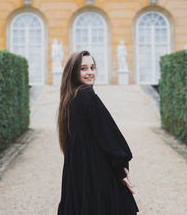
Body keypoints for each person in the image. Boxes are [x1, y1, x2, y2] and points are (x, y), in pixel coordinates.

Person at [57, 50, 139, 214]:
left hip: (77, 168)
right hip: (94, 166)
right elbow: (106, 134)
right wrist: (119, 168)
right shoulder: (86, 95)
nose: (90, 73)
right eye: (84, 68)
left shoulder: (69, 97)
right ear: (74, 72)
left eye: (92, 67)